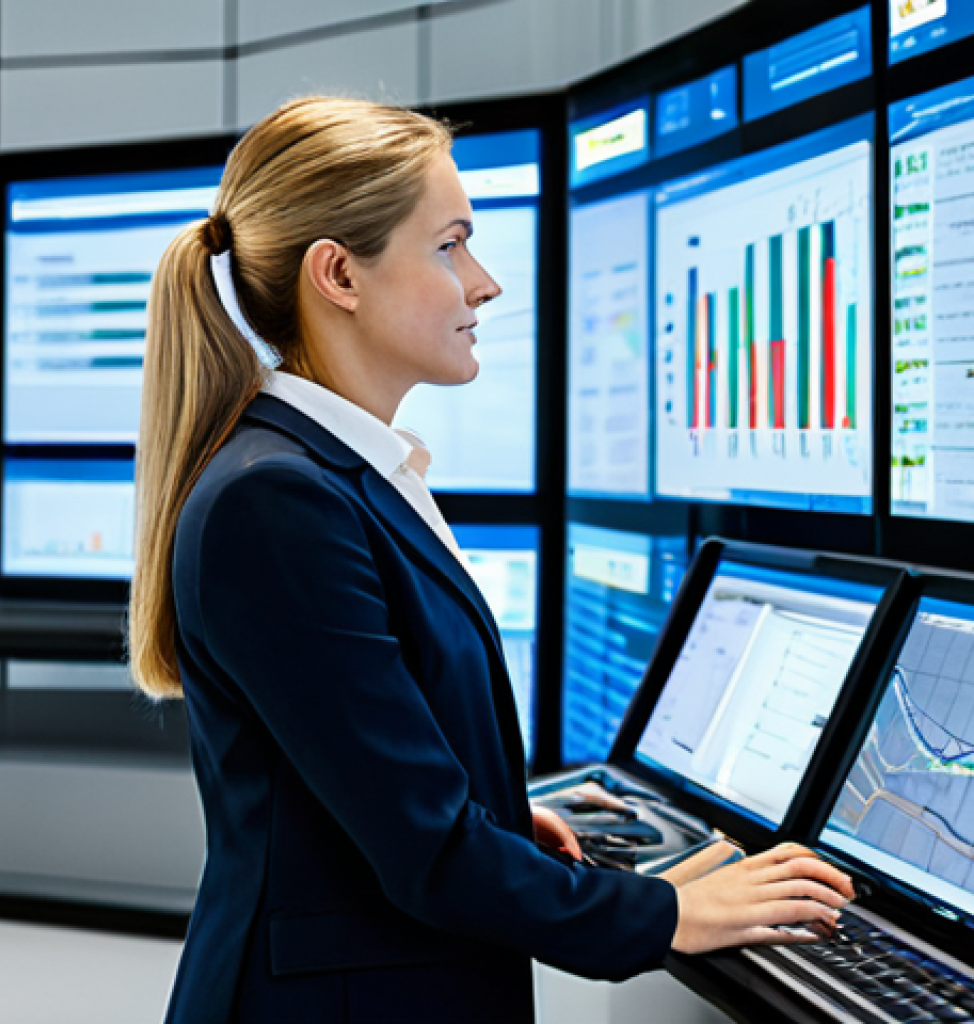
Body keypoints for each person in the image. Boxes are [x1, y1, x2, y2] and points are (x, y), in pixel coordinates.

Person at [128, 96, 855, 1024]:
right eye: (451, 246)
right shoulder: (276, 502)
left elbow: (375, 778)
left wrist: (502, 816)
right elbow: (427, 855)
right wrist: (670, 913)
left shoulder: (336, 473)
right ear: (339, 274)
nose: (484, 284)